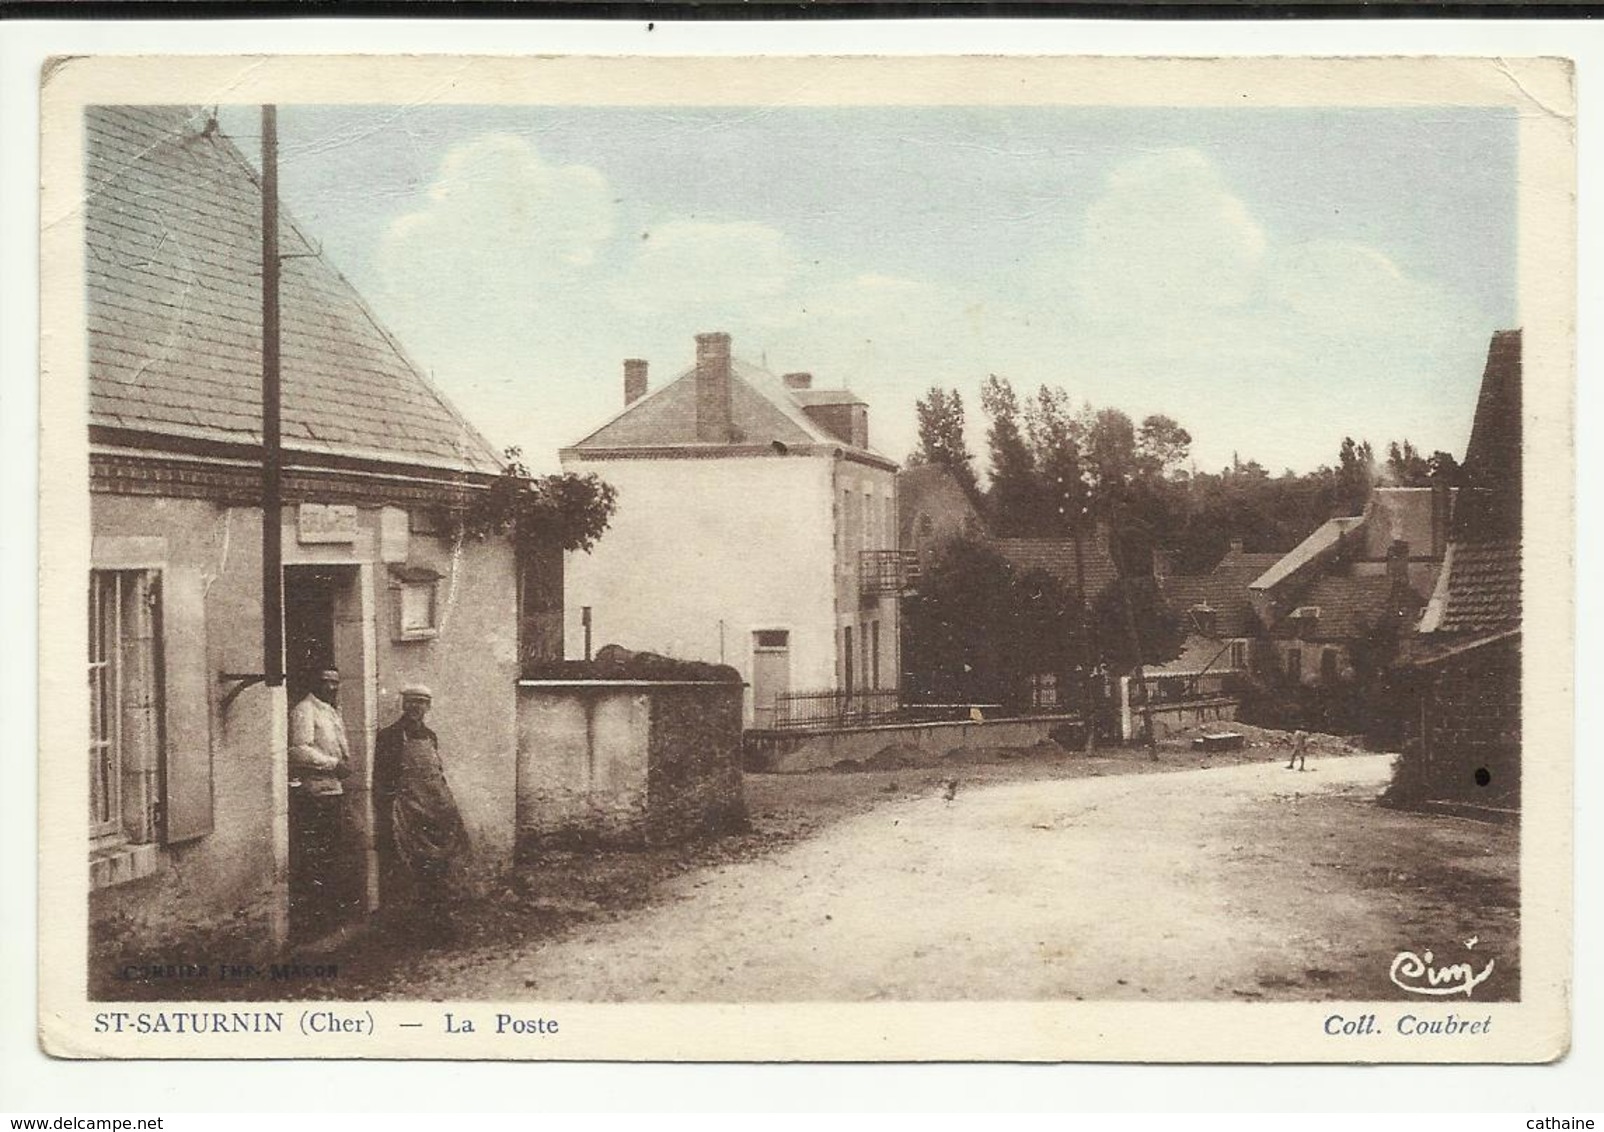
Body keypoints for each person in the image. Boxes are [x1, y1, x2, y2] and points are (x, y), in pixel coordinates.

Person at [374, 685, 469, 943]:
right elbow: (382, 780)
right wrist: (388, 810)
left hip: (434, 811)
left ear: (428, 707)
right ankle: (410, 929)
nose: (416, 707)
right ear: (403, 705)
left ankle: (438, 925)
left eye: (422, 703)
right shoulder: (389, 737)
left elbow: (437, 775)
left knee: (438, 867)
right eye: (412, 702)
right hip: (406, 812)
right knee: (411, 868)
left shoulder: (430, 736)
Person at [287, 668, 352, 938]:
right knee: (316, 856)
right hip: (315, 793)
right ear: (316, 683)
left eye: (335, 683)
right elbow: (298, 750)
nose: (331, 687)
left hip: (333, 791)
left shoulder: (331, 711)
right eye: (325, 682)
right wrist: (333, 764)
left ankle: (329, 916)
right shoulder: (305, 709)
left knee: (332, 854)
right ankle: (314, 921)